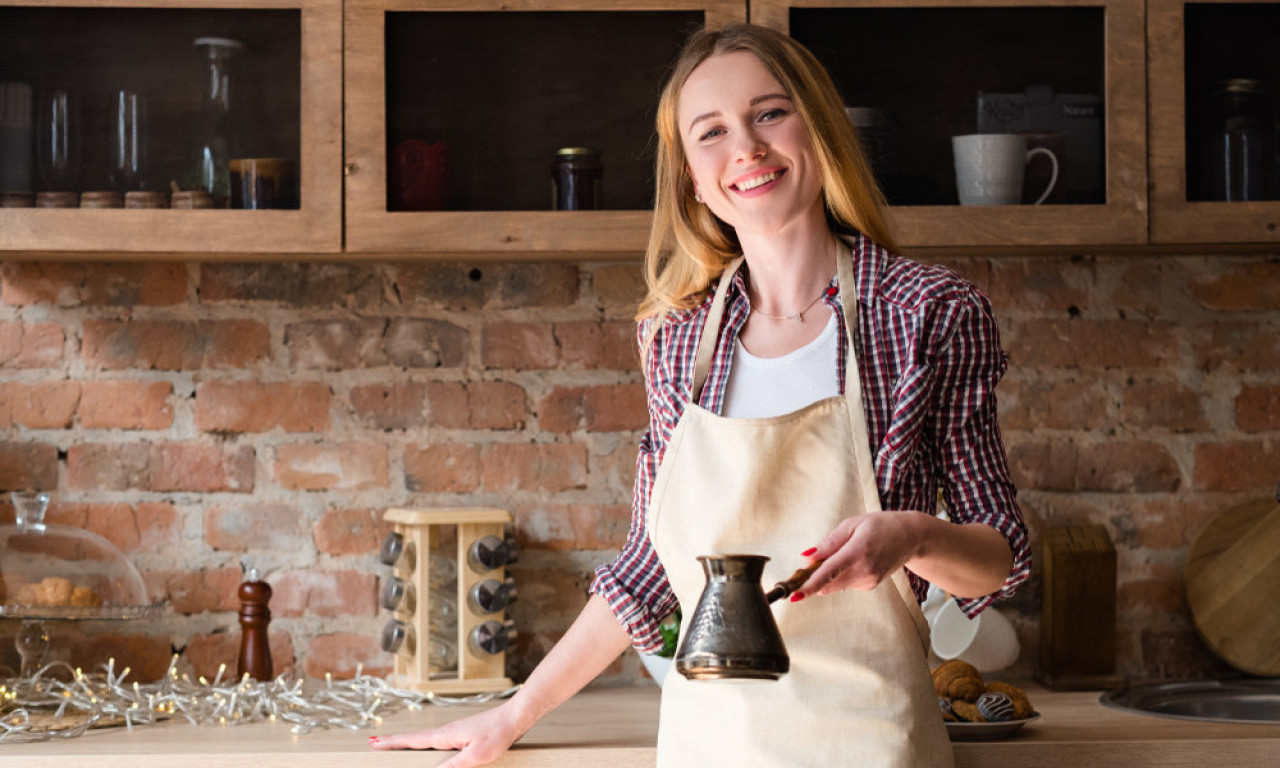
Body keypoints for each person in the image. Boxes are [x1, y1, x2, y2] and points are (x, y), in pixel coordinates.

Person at [370, 23, 1029, 768]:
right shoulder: (676, 337)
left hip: (874, 742)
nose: (745, 148)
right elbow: (649, 569)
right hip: (708, 747)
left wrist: (912, 538)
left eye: (770, 113)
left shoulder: (927, 315)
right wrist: (514, 713)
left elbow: (998, 557)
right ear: (689, 174)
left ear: (819, 127)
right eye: (711, 131)